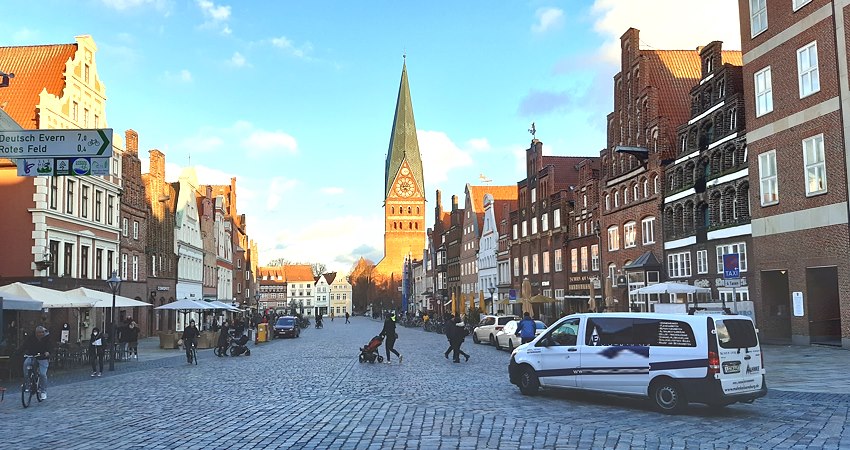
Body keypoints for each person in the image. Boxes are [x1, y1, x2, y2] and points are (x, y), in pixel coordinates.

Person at [20, 325, 52, 400]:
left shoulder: (47, 338)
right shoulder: (31, 338)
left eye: (42, 333)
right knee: (26, 365)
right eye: (39, 333)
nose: (41, 334)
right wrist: (19, 352)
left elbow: (50, 347)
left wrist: (48, 352)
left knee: (42, 374)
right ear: (36, 333)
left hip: (42, 357)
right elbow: (24, 345)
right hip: (32, 355)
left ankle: (43, 391)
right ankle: (27, 385)